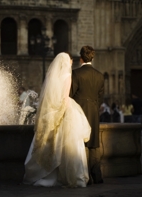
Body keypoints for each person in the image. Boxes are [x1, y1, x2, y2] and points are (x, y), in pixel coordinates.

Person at [23, 53, 91, 188]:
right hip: (64, 109)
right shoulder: (67, 75)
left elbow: (47, 96)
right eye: (70, 60)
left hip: (51, 110)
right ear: (67, 62)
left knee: (50, 143)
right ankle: (70, 175)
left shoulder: (51, 77)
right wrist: (62, 113)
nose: (71, 62)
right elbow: (65, 97)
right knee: (68, 144)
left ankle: (46, 173)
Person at [70, 46, 104, 185]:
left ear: (81, 58)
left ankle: (85, 176)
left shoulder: (76, 74)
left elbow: (70, 94)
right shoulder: (99, 75)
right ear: (92, 58)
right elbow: (100, 96)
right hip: (94, 112)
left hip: (80, 112)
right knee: (94, 144)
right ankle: (97, 175)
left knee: (82, 143)